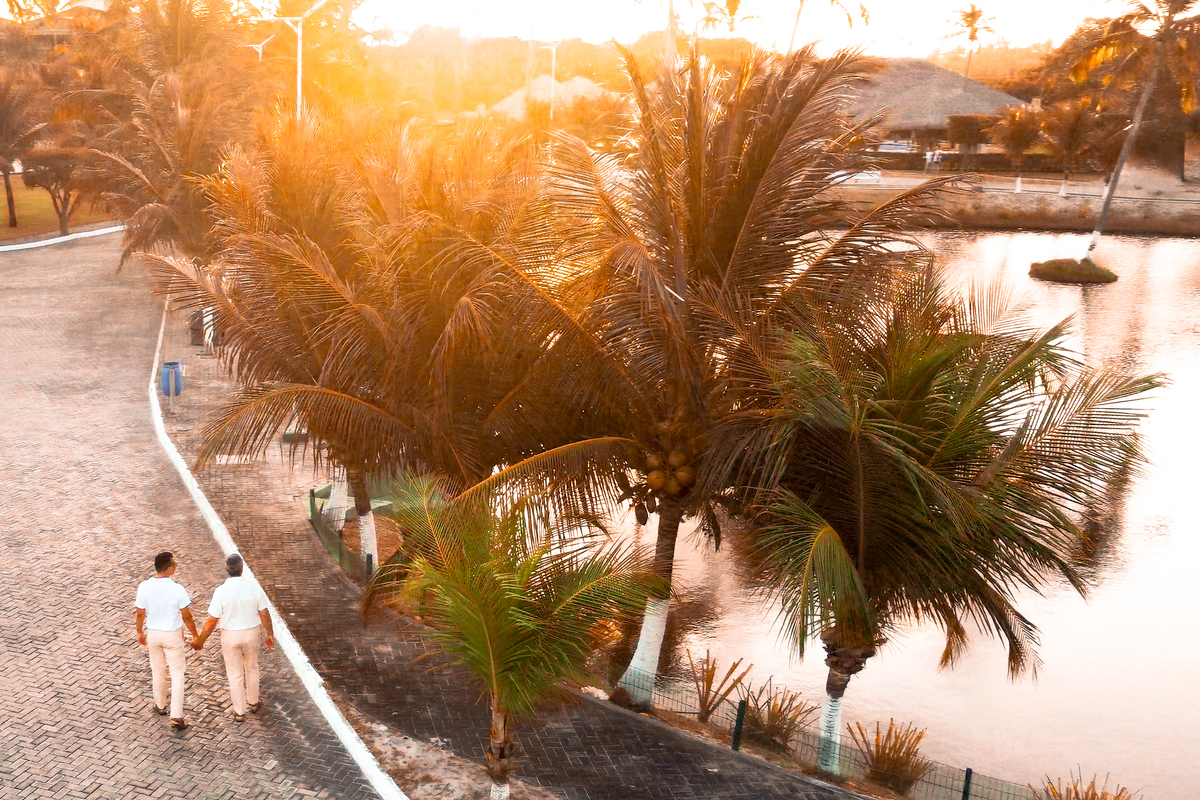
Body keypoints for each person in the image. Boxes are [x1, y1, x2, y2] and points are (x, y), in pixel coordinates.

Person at [194, 553, 275, 722]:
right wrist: (269, 633)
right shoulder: (253, 587)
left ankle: (239, 712)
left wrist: (201, 640)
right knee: (252, 667)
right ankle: (253, 702)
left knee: (234, 674)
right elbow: (264, 612)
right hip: (251, 633)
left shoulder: (221, 591)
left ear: (227, 569)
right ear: (241, 568)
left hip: (230, 636)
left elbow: (212, 620)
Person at [134, 551, 199, 730]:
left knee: (158, 671)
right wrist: (195, 634)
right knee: (177, 674)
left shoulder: (144, 586)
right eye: (175, 564)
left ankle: (160, 705)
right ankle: (177, 715)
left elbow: (140, 613)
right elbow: (186, 615)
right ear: (170, 569)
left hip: (154, 633)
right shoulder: (177, 589)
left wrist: (139, 632)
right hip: (172, 635)